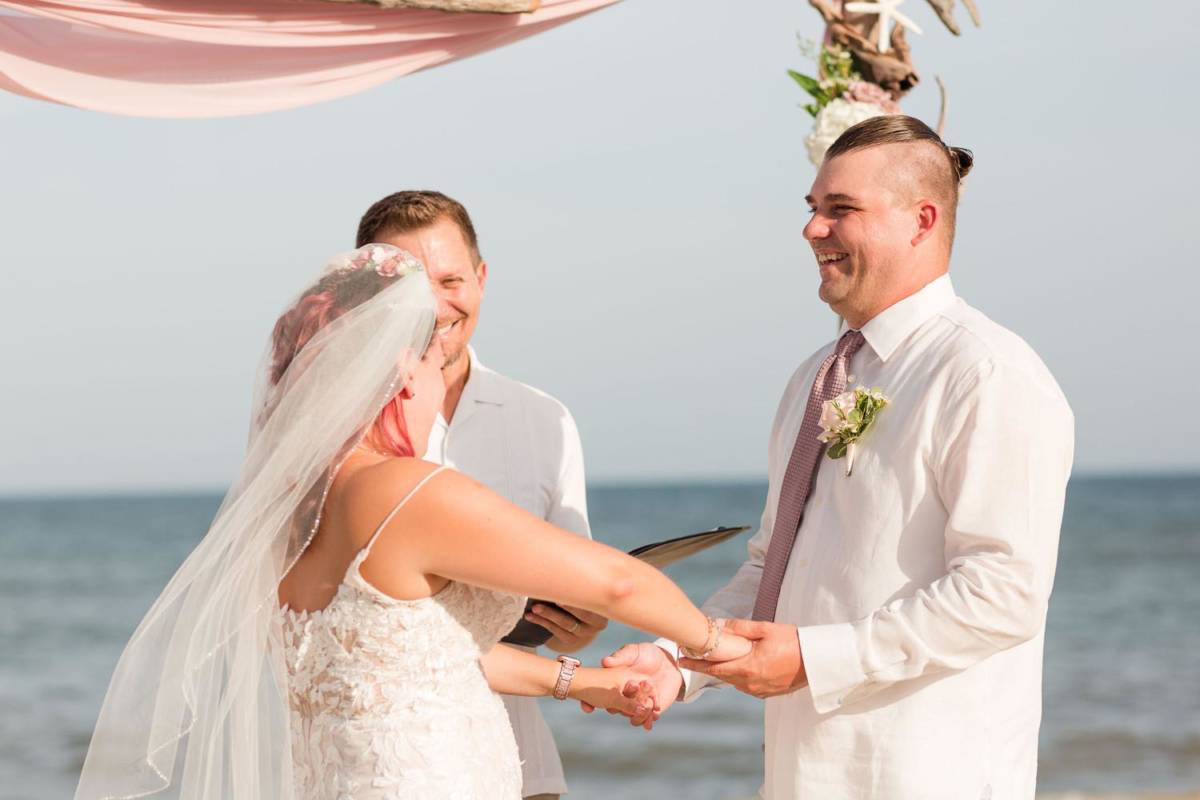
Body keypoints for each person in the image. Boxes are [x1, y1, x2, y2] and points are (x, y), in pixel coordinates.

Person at [74, 244, 750, 800]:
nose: (439, 384)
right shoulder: (404, 490)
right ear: (402, 373)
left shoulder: (290, 514)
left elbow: (412, 660)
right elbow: (618, 584)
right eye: (436, 363)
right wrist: (723, 646)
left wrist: (583, 682)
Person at [608, 115, 1074, 799]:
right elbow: (773, 568)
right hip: (804, 772)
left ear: (921, 220)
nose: (811, 229)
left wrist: (814, 658)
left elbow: (1005, 592)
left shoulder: (986, 373)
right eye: (813, 209)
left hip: (926, 772)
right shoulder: (815, 377)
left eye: (840, 210)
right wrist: (681, 663)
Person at [355, 190, 601, 800]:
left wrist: (582, 626)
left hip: (520, 766)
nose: (436, 305)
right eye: (410, 284)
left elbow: (580, 601)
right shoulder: (340, 430)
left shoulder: (544, 419)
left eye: (450, 280)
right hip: (384, 766)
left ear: (482, 279)